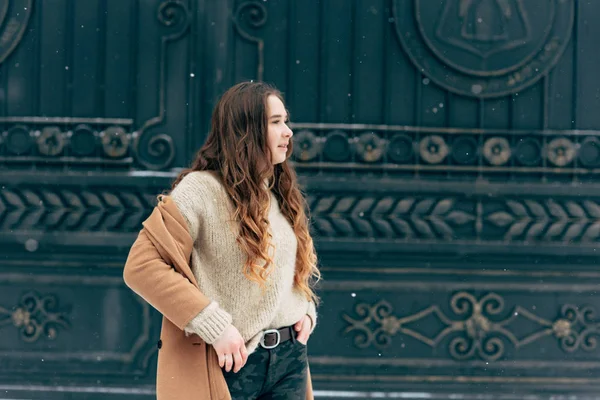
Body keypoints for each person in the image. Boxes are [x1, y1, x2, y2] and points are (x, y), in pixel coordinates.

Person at [123, 81, 320, 400]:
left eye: (286, 121)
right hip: (230, 362)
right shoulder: (199, 190)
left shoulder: (277, 191)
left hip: (289, 361)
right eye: (275, 122)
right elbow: (141, 267)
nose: (288, 132)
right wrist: (214, 325)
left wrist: (304, 308)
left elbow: (283, 270)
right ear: (246, 130)